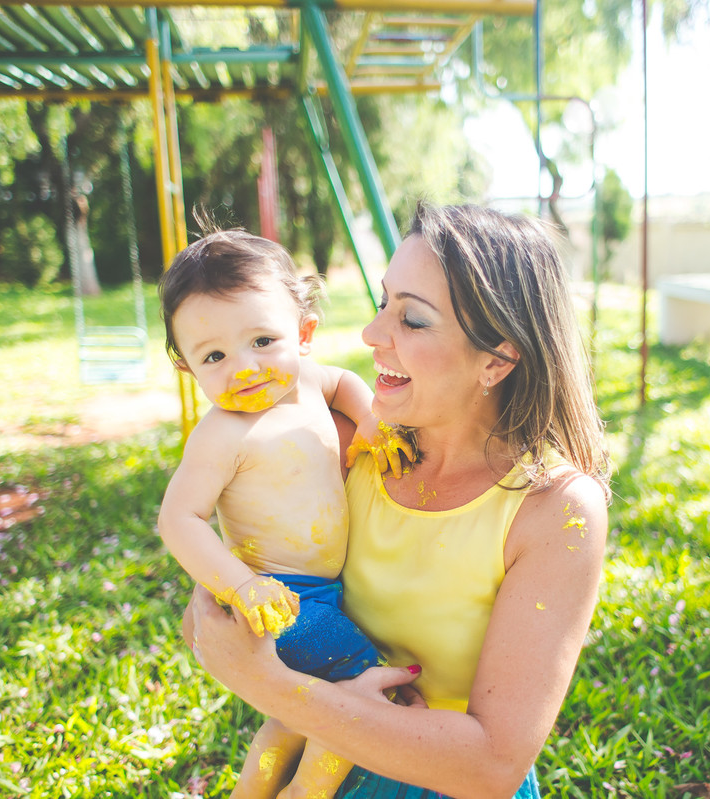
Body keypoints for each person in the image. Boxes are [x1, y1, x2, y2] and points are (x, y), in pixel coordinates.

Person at [183, 203, 611, 798]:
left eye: (412, 320)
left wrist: (273, 689)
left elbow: (492, 766)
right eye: (383, 302)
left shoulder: (555, 510)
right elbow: (210, 615)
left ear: (497, 359)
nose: (371, 334)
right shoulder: (347, 440)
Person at [157, 228, 409, 799]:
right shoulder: (222, 433)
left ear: (305, 333)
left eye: (263, 341)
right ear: (187, 369)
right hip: (277, 596)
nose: (244, 369)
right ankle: (307, 793)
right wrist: (243, 586)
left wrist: (370, 419)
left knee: (294, 714)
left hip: (316, 590)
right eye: (215, 356)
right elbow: (179, 519)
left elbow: (345, 382)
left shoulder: (307, 385)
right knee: (361, 691)